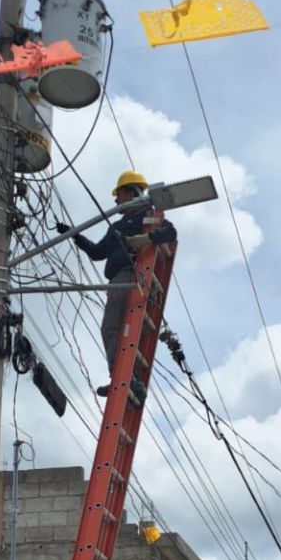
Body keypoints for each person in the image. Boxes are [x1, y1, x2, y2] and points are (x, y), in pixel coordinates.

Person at [72, 170, 177, 397]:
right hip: (121, 280)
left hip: (128, 275)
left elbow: (170, 232)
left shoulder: (145, 216)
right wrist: (75, 236)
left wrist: (147, 238)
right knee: (126, 332)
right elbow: (98, 252)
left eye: (118, 194)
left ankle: (121, 376)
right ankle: (131, 379)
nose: (116, 200)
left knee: (111, 327)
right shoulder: (117, 226)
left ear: (131, 192)